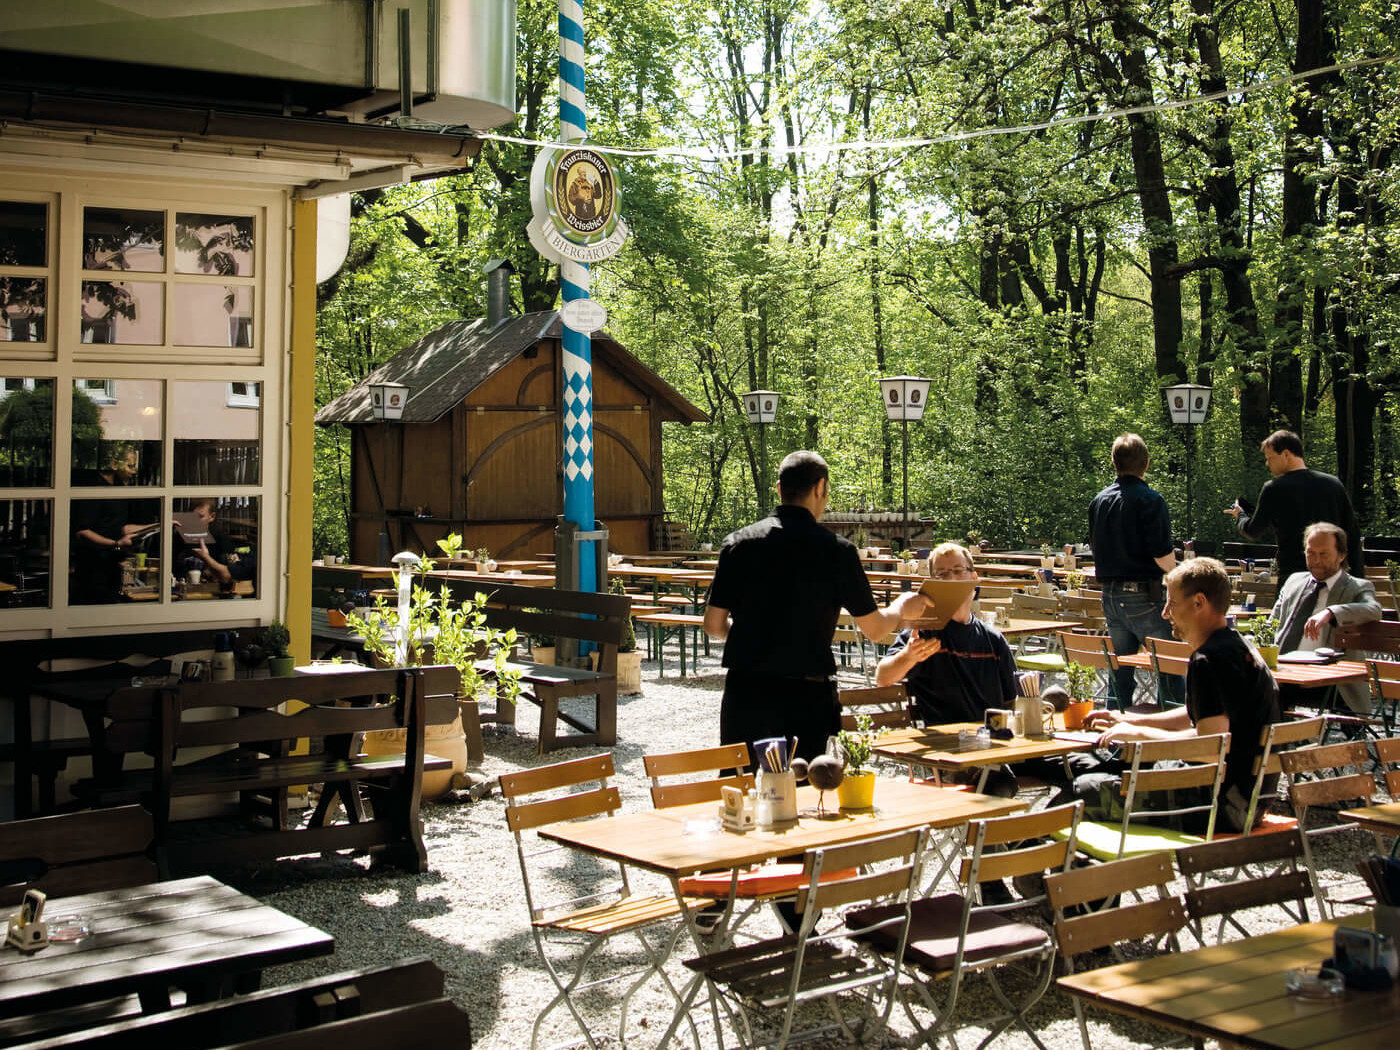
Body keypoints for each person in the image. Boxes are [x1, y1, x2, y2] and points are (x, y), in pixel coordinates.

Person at [703, 450, 928, 767]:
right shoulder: (838, 551)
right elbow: (876, 629)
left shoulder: (738, 544)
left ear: (780, 489)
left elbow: (713, 625)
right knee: (809, 795)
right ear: (821, 487)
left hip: (747, 691)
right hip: (807, 697)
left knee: (745, 793)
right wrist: (902, 606)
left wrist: (750, 640)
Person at [1057, 558, 1281, 833]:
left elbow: (1211, 745)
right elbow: (1202, 715)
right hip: (1253, 800)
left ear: (1199, 603)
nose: (1164, 613)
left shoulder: (1208, 660)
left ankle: (1038, 866)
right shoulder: (1238, 647)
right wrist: (1127, 720)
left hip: (1219, 806)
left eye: (1172, 603)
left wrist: (1140, 738)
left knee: (1079, 791)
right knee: (1099, 766)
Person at [876, 541, 1062, 800]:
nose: (951, 579)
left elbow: (1012, 704)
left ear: (973, 579)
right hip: (951, 749)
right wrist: (908, 657)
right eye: (941, 575)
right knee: (996, 783)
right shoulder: (924, 633)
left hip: (998, 741)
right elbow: (883, 676)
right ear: (931, 585)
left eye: (957, 571)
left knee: (1072, 767)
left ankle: (1039, 837)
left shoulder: (993, 639)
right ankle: (1011, 838)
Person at [1088, 433, 1181, 708]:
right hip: (1145, 596)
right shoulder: (1150, 500)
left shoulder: (1099, 501)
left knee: (1120, 674)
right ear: (1147, 463)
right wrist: (1179, 574)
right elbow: (1162, 555)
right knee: (1170, 669)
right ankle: (1175, 739)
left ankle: (1115, 741)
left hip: (1110, 596)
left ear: (1114, 462)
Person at [1268, 522, 1380, 714]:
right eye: (1310, 553)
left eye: (1324, 554)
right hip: (1286, 674)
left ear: (1342, 555)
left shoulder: (1357, 587)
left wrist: (1331, 612)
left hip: (1331, 684)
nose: (1316, 560)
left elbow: (1373, 609)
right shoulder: (1294, 581)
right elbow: (1271, 625)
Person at [1227, 430, 1361, 583]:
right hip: (1331, 575)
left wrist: (1240, 515)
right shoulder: (1333, 484)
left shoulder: (1274, 488)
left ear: (1286, 454)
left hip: (1293, 577)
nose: (1267, 463)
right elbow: (1352, 534)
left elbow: (1253, 531)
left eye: (1270, 458)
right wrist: (1357, 580)